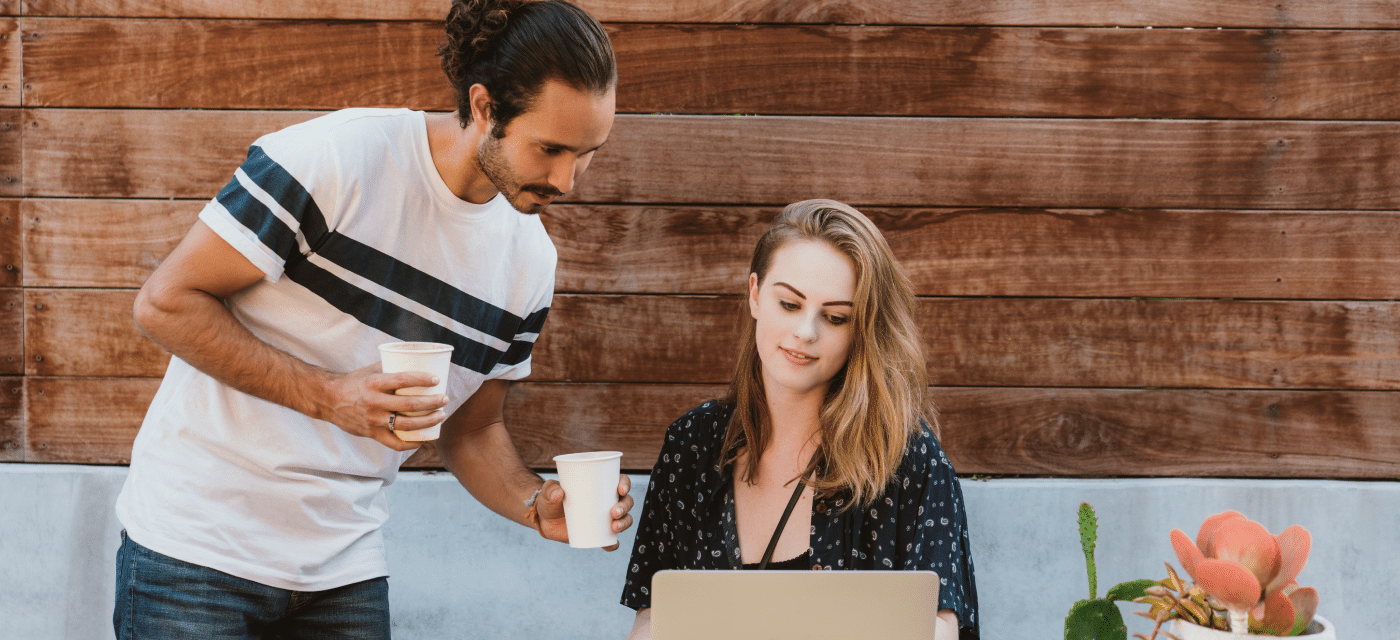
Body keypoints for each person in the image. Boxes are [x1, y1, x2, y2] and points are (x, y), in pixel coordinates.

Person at [113, 1, 632, 637]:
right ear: (484, 107)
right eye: (551, 148)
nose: (569, 180)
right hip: (196, 553)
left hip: (344, 571)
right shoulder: (336, 158)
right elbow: (165, 303)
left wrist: (534, 505)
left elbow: (471, 430)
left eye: (588, 153)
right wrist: (329, 397)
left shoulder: (529, 266)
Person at [620, 200, 980, 639]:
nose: (806, 333)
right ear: (755, 294)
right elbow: (653, 614)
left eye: (835, 317)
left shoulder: (908, 457)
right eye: (790, 304)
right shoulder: (691, 444)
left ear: (861, 329)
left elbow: (940, 626)